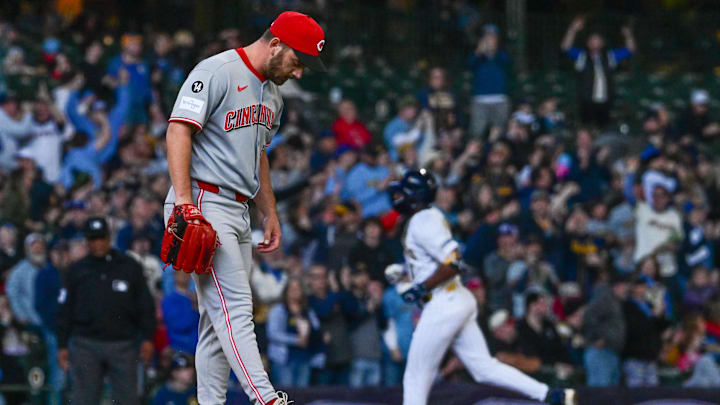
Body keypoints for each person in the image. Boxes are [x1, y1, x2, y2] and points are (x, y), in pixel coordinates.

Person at [162, 11, 326, 405]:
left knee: (216, 325)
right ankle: (266, 398)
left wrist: (270, 212)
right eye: (297, 60)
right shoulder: (217, 70)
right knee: (237, 308)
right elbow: (178, 129)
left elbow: (259, 157)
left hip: (238, 208)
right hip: (203, 198)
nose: (299, 72)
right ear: (275, 44)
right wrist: (184, 203)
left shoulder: (273, 93)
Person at [386, 170, 572, 405]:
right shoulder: (429, 216)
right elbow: (436, 262)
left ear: (414, 195)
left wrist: (421, 287)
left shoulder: (422, 220)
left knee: (416, 377)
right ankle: (551, 394)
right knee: (484, 368)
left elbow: (453, 262)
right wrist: (405, 273)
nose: (399, 195)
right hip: (456, 299)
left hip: (442, 304)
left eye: (405, 190)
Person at [56, 217, 155, 405]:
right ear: (87, 241)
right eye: (93, 239)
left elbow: (145, 304)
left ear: (109, 238)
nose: (98, 243)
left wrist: (148, 337)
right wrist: (62, 344)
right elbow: (65, 309)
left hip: (123, 344)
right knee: (84, 399)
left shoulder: (129, 266)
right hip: (86, 344)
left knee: (128, 400)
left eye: (102, 238)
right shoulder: (76, 270)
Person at [561, 16, 635, 127]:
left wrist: (628, 35)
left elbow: (630, 49)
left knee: (603, 128)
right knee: (586, 127)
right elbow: (566, 47)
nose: (594, 42)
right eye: (591, 40)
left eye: (597, 40)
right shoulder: (582, 56)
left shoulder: (610, 57)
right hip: (586, 102)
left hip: (605, 101)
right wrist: (573, 29)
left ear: (602, 43)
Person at [267, 277, 323, 388]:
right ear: (286, 292)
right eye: (292, 289)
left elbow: (317, 329)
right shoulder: (279, 310)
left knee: (302, 396)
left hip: (304, 359)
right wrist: (296, 340)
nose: (295, 291)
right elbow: (272, 333)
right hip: (284, 360)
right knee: (286, 394)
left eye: (298, 289)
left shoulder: (308, 311)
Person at [622, 275, 669, 387]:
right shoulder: (627, 306)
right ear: (633, 288)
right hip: (635, 357)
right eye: (640, 286)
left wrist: (661, 314)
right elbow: (635, 329)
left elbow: (660, 327)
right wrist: (654, 316)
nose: (643, 289)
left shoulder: (649, 305)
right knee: (636, 393)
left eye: (644, 286)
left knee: (652, 394)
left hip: (651, 356)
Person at [582, 272, 629, 387]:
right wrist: (597, 337)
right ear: (618, 286)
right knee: (600, 394)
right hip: (600, 353)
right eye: (625, 286)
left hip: (611, 352)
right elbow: (589, 315)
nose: (626, 290)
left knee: (609, 395)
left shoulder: (615, 301)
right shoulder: (605, 298)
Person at [468, 24, 511, 140]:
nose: (489, 40)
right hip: (480, 100)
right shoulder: (477, 57)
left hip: (500, 99)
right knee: (477, 133)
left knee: (498, 133)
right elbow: (470, 65)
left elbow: (507, 64)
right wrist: (479, 51)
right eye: (487, 37)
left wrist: (493, 51)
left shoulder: (502, 55)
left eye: (492, 37)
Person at [6, 233, 46, 328]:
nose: (37, 249)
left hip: (53, 319)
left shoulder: (51, 267)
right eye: (34, 246)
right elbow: (12, 293)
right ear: (27, 249)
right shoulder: (19, 271)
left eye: (40, 246)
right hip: (32, 321)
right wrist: (21, 315)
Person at [161, 271, 199, 354]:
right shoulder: (168, 300)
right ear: (175, 276)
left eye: (186, 273)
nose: (184, 276)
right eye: (181, 274)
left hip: (197, 345)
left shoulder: (196, 298)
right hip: (178, 347)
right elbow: (178, 323)